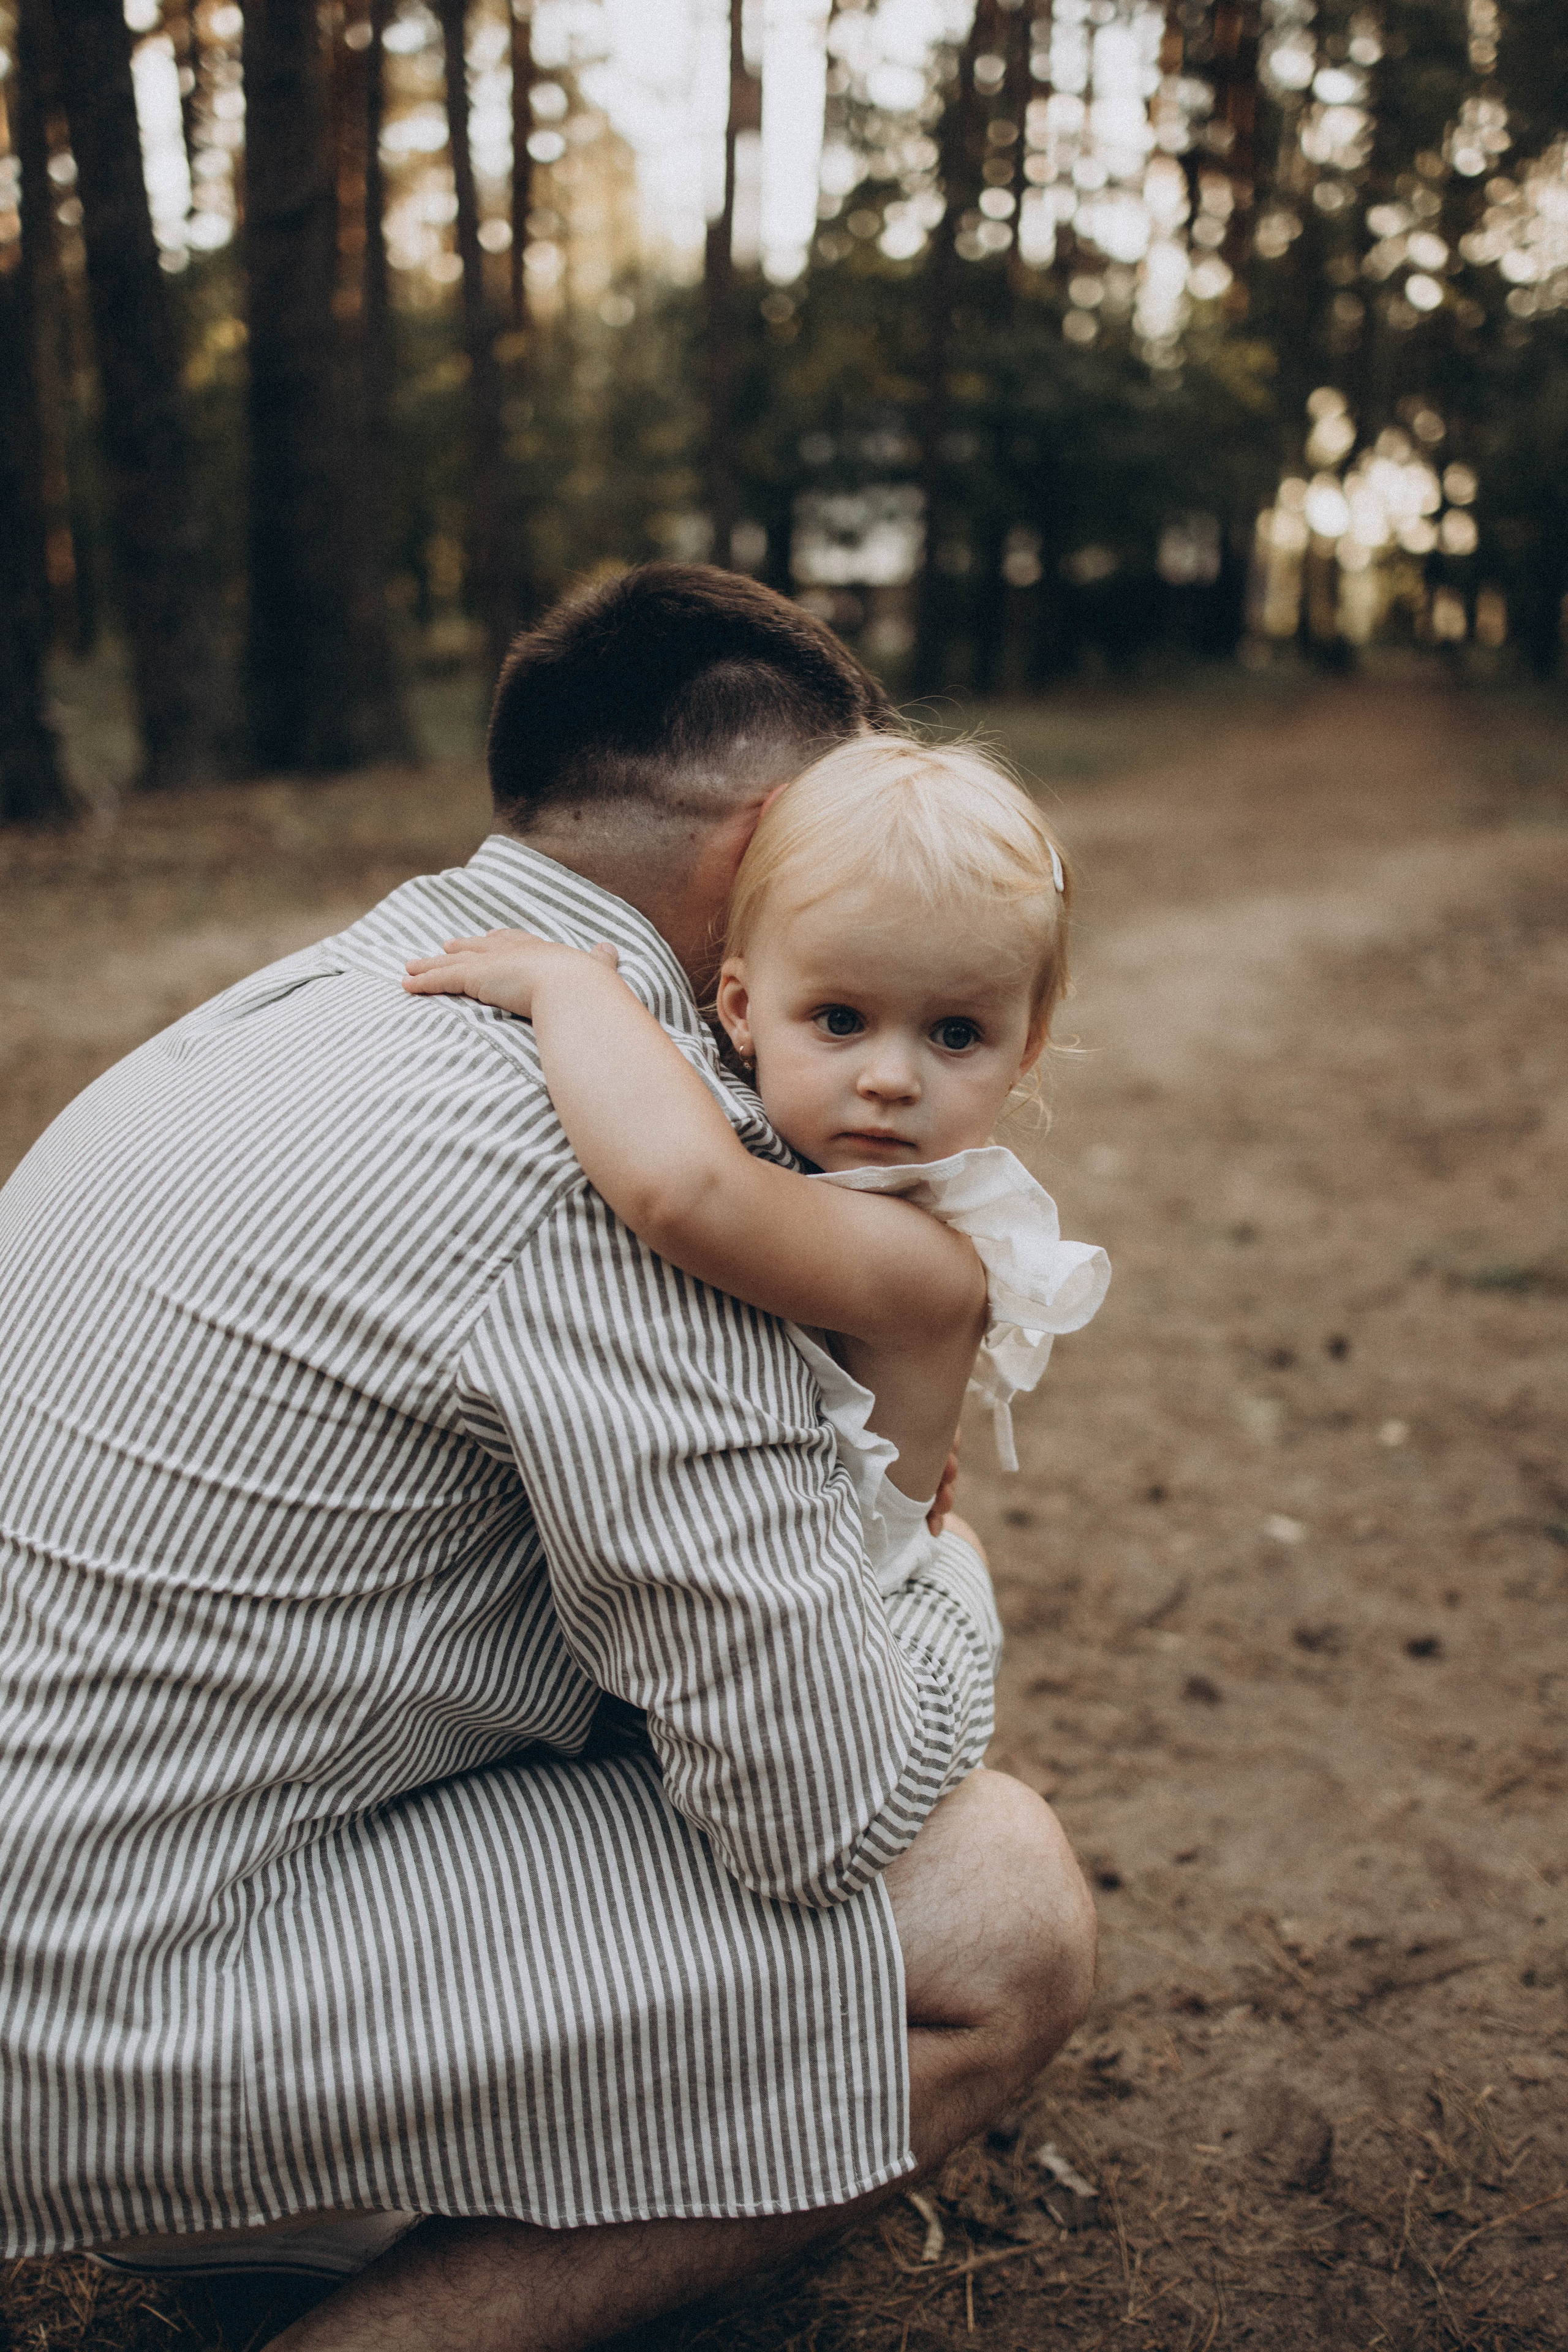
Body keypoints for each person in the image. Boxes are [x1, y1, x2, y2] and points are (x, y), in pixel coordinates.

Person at [0, 567, 1096, 2352]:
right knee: (1001, 1908)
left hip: (82, 1876)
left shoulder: (298, 1006)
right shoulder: (607, 1181)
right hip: (108, 1988)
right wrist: (943, 1578)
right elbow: (817, 1812)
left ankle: (318, 2202)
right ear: (762, 849)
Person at [402, 733, 1111, 1603]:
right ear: (739, 1008)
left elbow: (688, 1192)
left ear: (1025, 1051)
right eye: (840, 1019)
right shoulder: (832, 1187)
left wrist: (575, 992)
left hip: (827, 1646)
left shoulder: (927, 1262)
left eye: (955, 1034)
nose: (890, 1079)